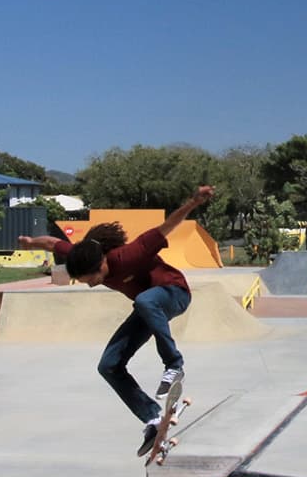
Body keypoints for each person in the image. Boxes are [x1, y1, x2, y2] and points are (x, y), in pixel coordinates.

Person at [17, 185, 213, 455]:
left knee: (144, 300)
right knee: (108, 365)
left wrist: (193, 202)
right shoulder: (82, 255)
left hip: (174, 293)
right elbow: (52, 243)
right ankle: (153, 418)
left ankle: (174, 364)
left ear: (102, 266)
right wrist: (29, 243)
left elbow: (168, 226)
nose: (90, 286)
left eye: (92, 280)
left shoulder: (130, 255)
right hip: (148, 310)